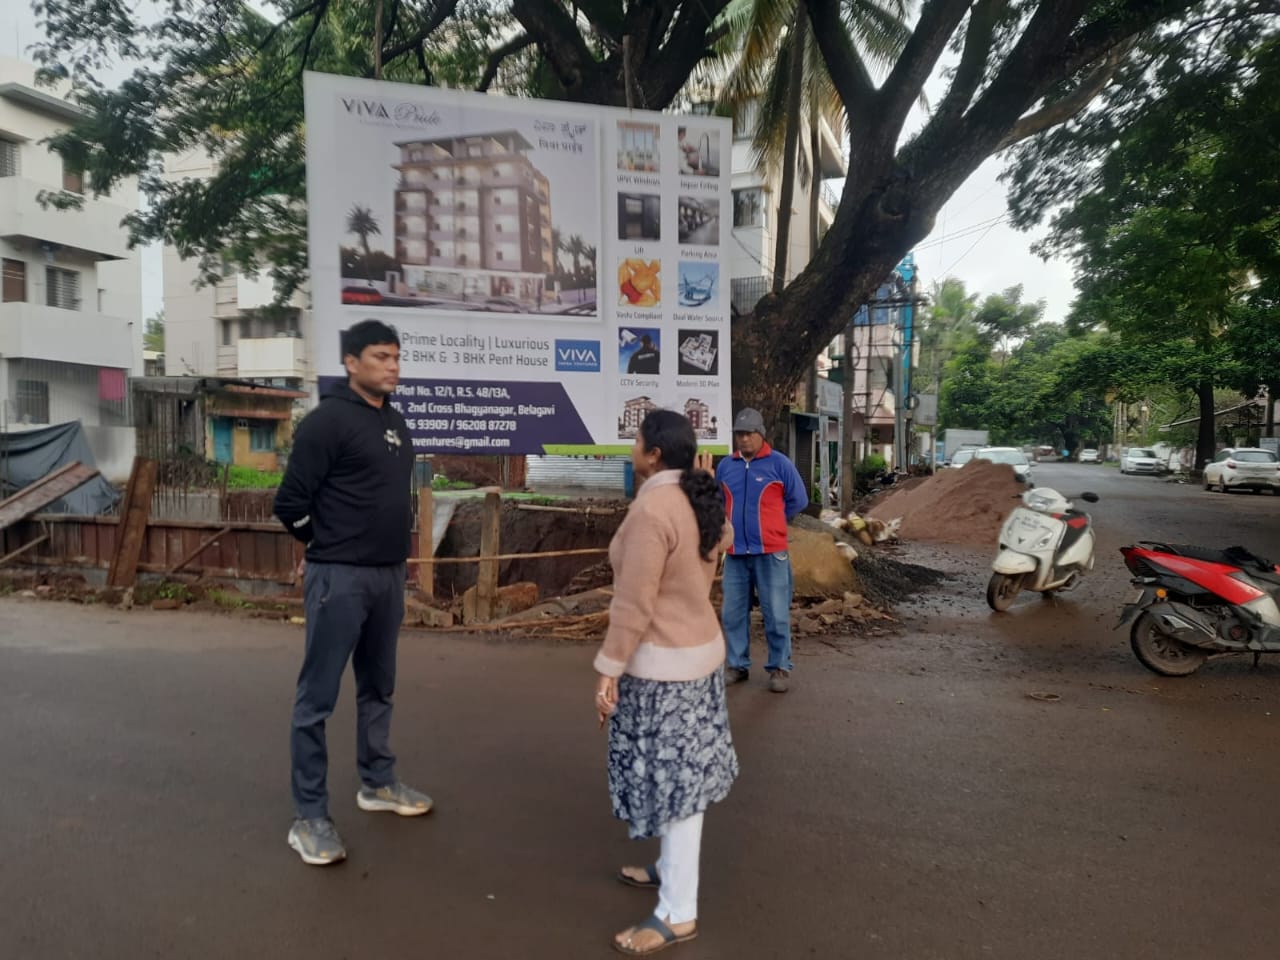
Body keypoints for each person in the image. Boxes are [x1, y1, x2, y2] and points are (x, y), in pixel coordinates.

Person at [274, 319, 432, 867]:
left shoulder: (395, 423)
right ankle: (310, 816)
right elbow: (289, 503)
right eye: (381, 356)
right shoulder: (326, 423)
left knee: (379, 687)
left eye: (396, 356)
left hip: (387, 577)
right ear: (351, 362)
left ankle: (378, 783)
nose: (392, 366)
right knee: (316, 699)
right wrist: (325, 546)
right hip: (337, 578)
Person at [594, 410, 738, 956]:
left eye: (635, 439)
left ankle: (678, 912)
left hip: (663, 671)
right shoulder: (698, 497)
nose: (631, 446)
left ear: (653, 453)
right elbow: (721, 536)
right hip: (698, 660)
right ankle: (669, 869)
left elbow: (634, 603)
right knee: (682, 780)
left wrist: (608, 669)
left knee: (678, 791)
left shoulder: (655, 506)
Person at [715, 408, 808, 693]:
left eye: (748, 434)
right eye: (739, 435)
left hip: (771, 552)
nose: (743, 440)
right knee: (732, 613)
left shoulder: (779, 464)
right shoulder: (726, 467)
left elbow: (798, 500)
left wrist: (773, 524)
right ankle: (737, 664)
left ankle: (779, 667)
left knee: (776, 612)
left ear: (761, 434)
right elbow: (720, 503)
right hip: (735, 553)